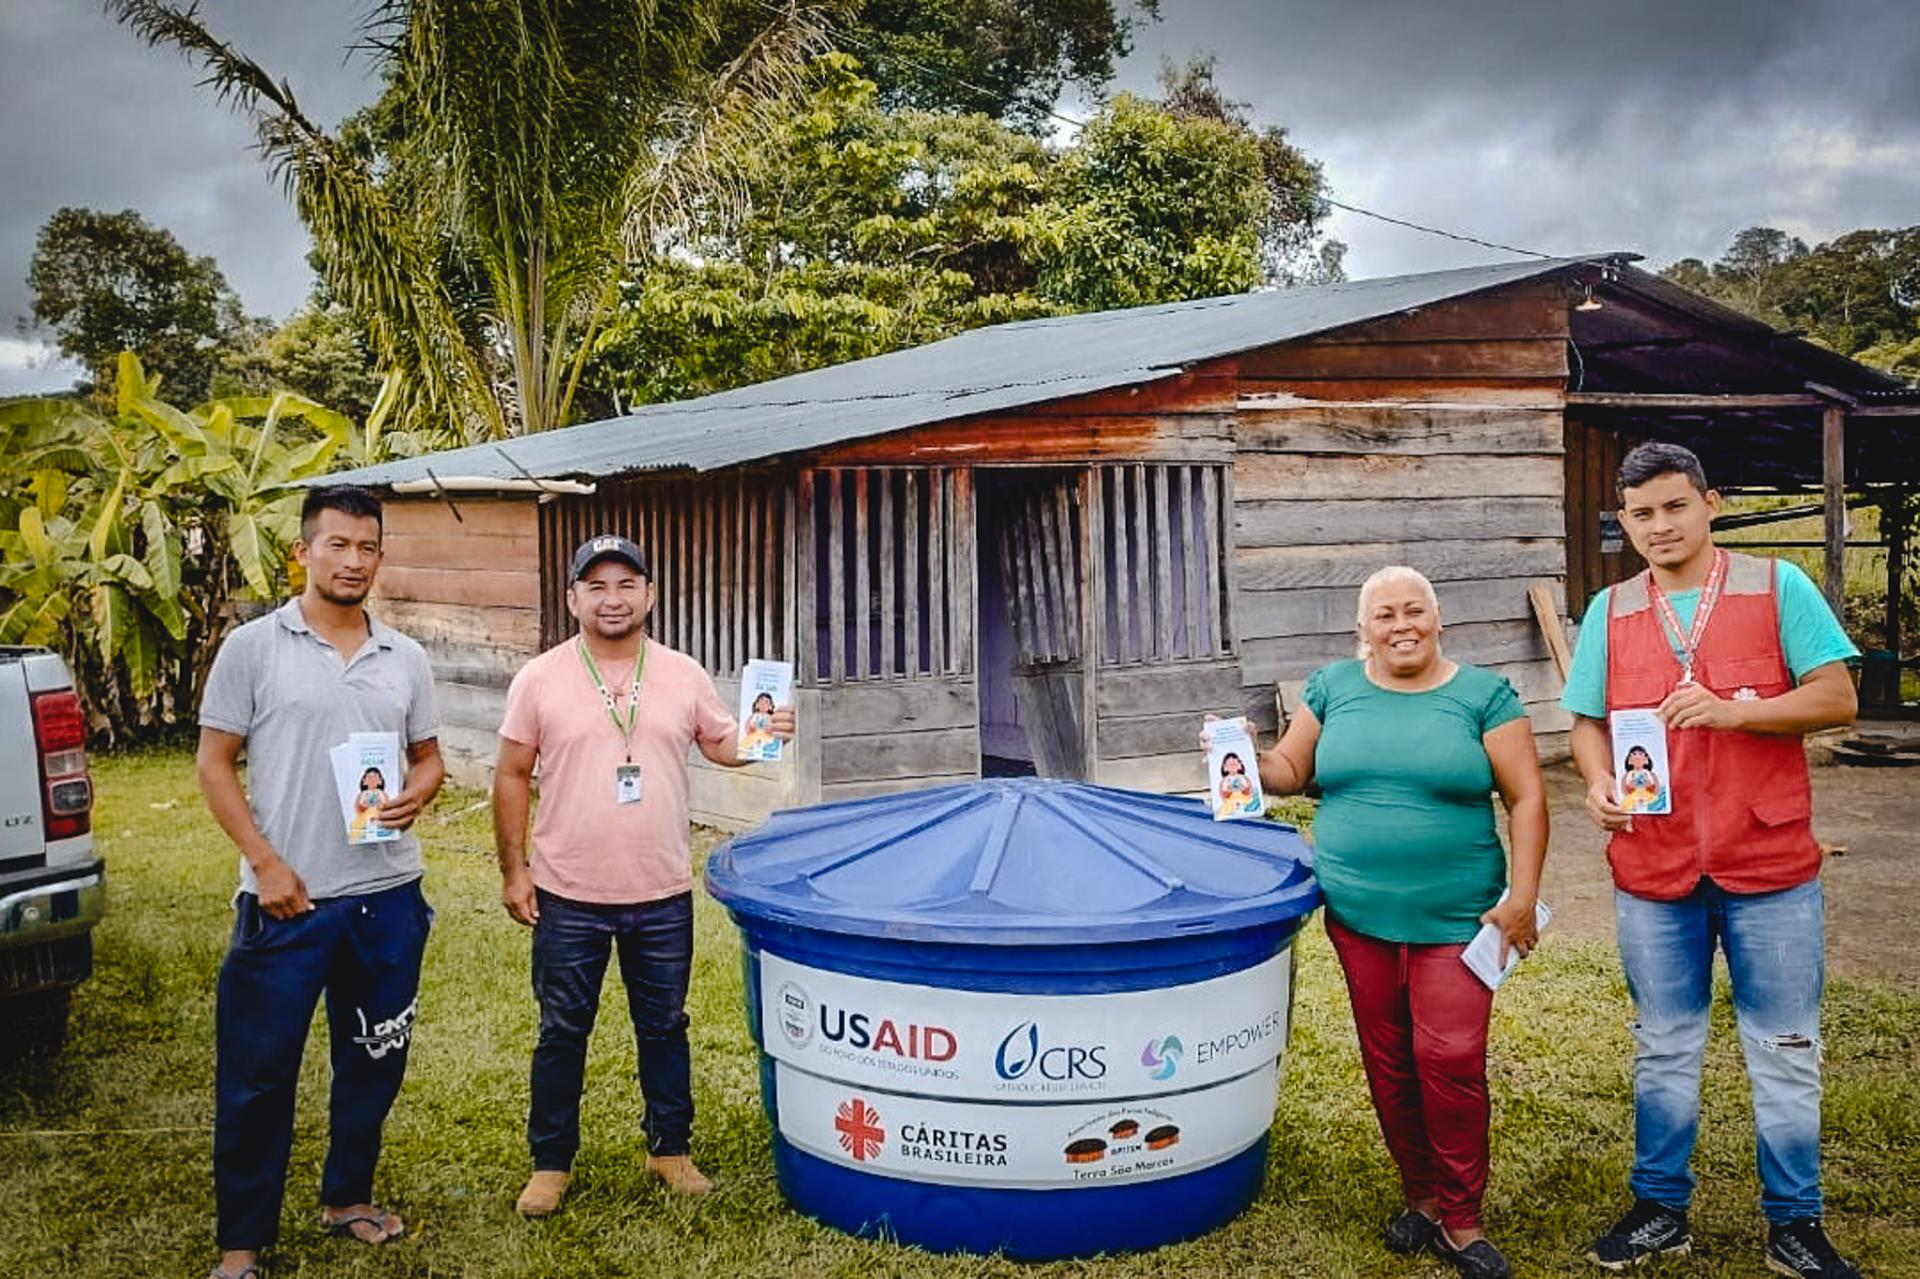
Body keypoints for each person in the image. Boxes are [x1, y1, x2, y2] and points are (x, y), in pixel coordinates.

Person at [1563, 443, 1861, 1278]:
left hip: (1768, 862)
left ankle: (1794, 1222)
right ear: (1625, 521)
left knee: (1786, 1043)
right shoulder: (1611, 609)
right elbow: (1586, 719)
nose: (1660, 525)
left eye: (1675, 506)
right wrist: (1595, 785)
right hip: (1653, 866)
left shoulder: (1777, 586)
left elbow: (1838, 696)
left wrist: (1735, 713)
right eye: (1643, 513)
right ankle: (1661, 1207)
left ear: (1711, 504)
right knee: (1662, 1041)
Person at [1231, 565, 1547, 1279]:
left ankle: (1464, 1218)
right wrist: (1247, 756)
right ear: (1362, 628)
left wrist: (1523, 895)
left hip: (1458, 917)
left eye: (1414, 611)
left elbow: (1527, 799)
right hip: (1357, 913)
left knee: (1451, 1059)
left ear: (1439, 620)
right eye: (1384, 614)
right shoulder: (1332, 688)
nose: (1401, 625)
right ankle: (1423, 1198)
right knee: (1391, 1060)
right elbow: (1286, 768)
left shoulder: (1484, 695)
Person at [493, 533, 795, 1217]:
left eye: (626, 583)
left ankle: (669, 1148)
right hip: (567, 892)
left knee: (664, 1025)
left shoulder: (683, 672)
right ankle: (549, 1162)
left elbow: (722, 743)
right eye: (595, 585)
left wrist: (765, 731)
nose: (612, 598)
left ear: (650, 594)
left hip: (661, 892)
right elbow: (511, 774)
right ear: (572, 598)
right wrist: (516, 871)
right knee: (562, 1030)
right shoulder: (538, 678)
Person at [196, 484, 444, 1279]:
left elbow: (430, 753)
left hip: (386, 896)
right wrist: (265, 862)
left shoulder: (404, 656)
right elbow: (213, 762)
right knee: (258, 1071)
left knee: (374, 1059)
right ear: (302, 551)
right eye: (337, 544)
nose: (354, 560)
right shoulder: (254, 648)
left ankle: (347, 1196)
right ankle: (243, 1243)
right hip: (287, 899)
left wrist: (423, 788)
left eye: (368, 546)